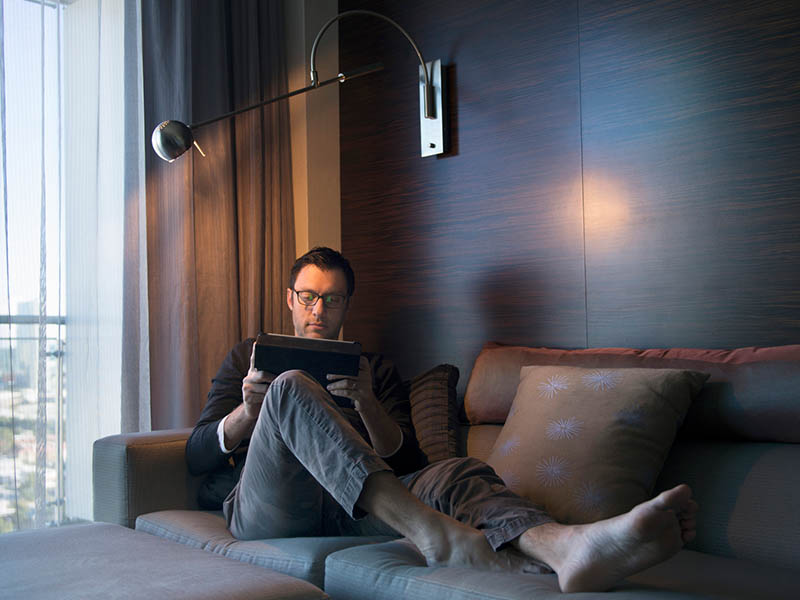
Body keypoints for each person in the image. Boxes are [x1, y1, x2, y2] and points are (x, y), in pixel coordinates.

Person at [186, 246, 698, 593]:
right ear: (290, 299)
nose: (318, 309)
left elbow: (410, 461)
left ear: (346, 306)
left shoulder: (375, 369)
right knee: (290, 385)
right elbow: (197, 453)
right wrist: (248, 413)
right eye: (308, 297)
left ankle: (568, 547)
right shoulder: (249, 357)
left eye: (332, 299)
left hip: (356, 512)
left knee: (455, 472)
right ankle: (435, 536)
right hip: (269, 509)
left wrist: (367, 402)